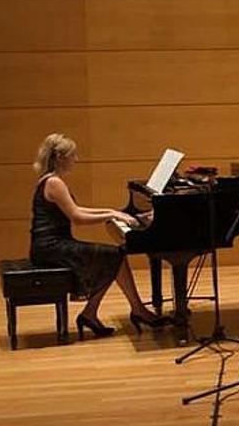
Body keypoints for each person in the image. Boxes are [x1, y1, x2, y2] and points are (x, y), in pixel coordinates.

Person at [29, 134, 167, 339]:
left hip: (51, 244)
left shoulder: (49, 180)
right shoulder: (54, 183)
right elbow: (77, 217)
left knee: (114, 257)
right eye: (73, 155)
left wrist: (112, 211)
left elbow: (76, 209)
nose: (76, 159)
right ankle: (130, 310)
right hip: (52, 247)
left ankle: (95, 313)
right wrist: (111, 214)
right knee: (115, 256)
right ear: (60, 158)